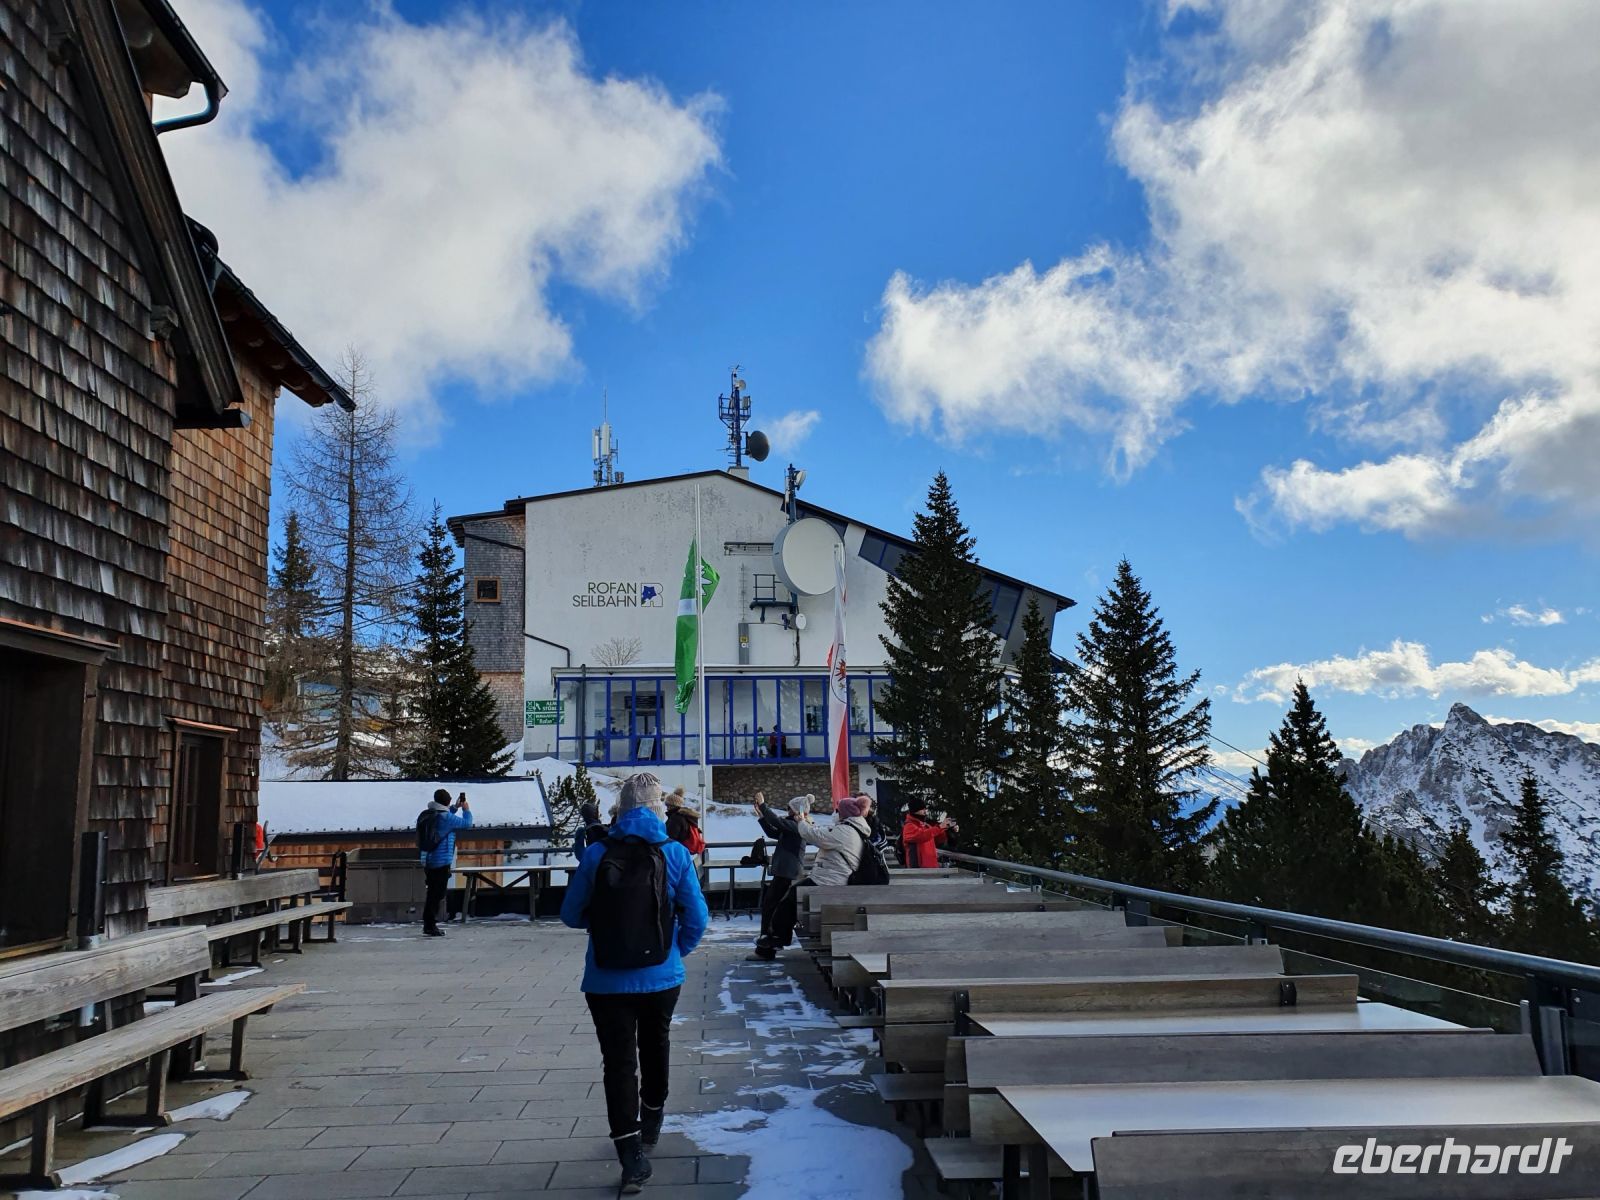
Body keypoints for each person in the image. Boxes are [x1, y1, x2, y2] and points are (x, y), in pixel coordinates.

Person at [561, 772, 708, 1194]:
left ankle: (630, 1155)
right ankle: (653, 1118)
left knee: (619, 1062)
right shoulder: (675, 853)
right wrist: (672, 950)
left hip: (606, 979)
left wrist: (607, 926)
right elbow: (697, 918)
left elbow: (571, 914)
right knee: (656, 1043)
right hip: (662, 976)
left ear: (621, 808)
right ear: (660, 808)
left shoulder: (597, 853)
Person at [749, 791, 810, 961]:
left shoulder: (799, 825)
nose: (787, 810)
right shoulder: (793, 825)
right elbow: (774, 832)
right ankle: (765, 946)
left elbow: (776, 822)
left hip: (786, 873)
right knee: (770, 907)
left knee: (771, 908)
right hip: (784, 872)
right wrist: (762, 817)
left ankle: (766, 949)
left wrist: (763, 805)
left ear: (796, 810)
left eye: (789, 808)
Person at [417, 789, 472, 936]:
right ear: (447, 801)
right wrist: (466, 809)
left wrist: (454, 808)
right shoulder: (446, 818)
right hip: (441, 861)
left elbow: (445, 820)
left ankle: (429, 923)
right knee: (437, 894)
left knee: (432, 893)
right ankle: (430, 926)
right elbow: (467, 823)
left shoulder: (429, 814)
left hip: (428, 859)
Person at [900, 797, 956, 868]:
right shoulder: (909, 826)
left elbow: (938, 839)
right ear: (915, 810)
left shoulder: (926, 826)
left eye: (925, 809)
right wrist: (940, 827)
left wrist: (947, 829)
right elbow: (922, 835)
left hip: (932, 867)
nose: (925, 811)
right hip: (917, 869)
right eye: (922, 809)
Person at [664, 788, 706, 856]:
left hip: (679, 852)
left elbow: (670, 837)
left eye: (668, 805)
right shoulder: (686, 816)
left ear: (674, 805)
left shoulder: (676, 818)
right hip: (686, 851)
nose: (667, 808)